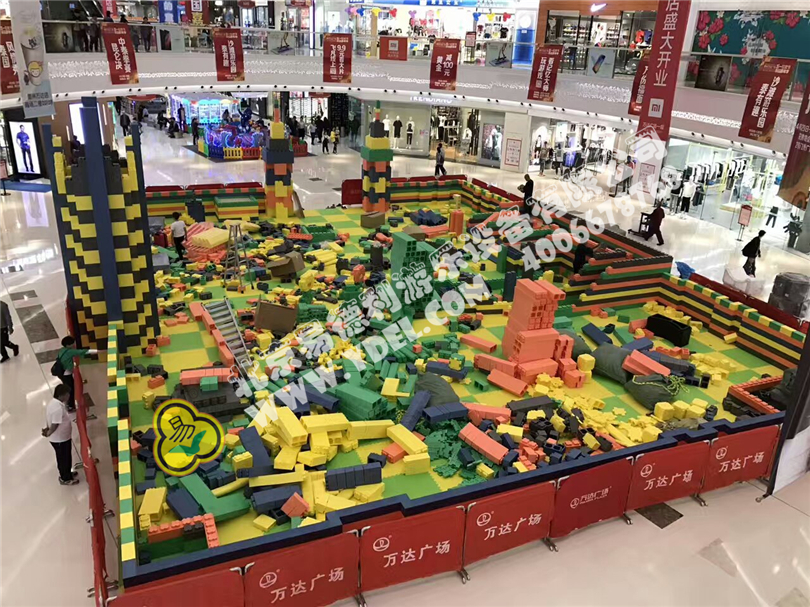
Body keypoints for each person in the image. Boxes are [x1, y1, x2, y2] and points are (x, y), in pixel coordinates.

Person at [43, 384, 79, 485]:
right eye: (67, 394)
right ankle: (65, 478)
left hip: (63, 438)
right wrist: (48, 433)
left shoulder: (55, 403)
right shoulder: (57, 408)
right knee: (63, 458)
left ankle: (68, 473)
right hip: (59, 439)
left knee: (67, 456)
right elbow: (55, 424)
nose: (69, 396)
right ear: (61, 395)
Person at [54, 336, 96, 412]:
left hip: (61, 373)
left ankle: (69, 403)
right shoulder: (70, 352)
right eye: (72, 343)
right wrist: (99, 351)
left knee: (69, 387)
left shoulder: (62, 350)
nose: (74, 344)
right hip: (66, 374)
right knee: (71, 389)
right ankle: (70, 405)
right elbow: (83, 352)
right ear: (68, 345)